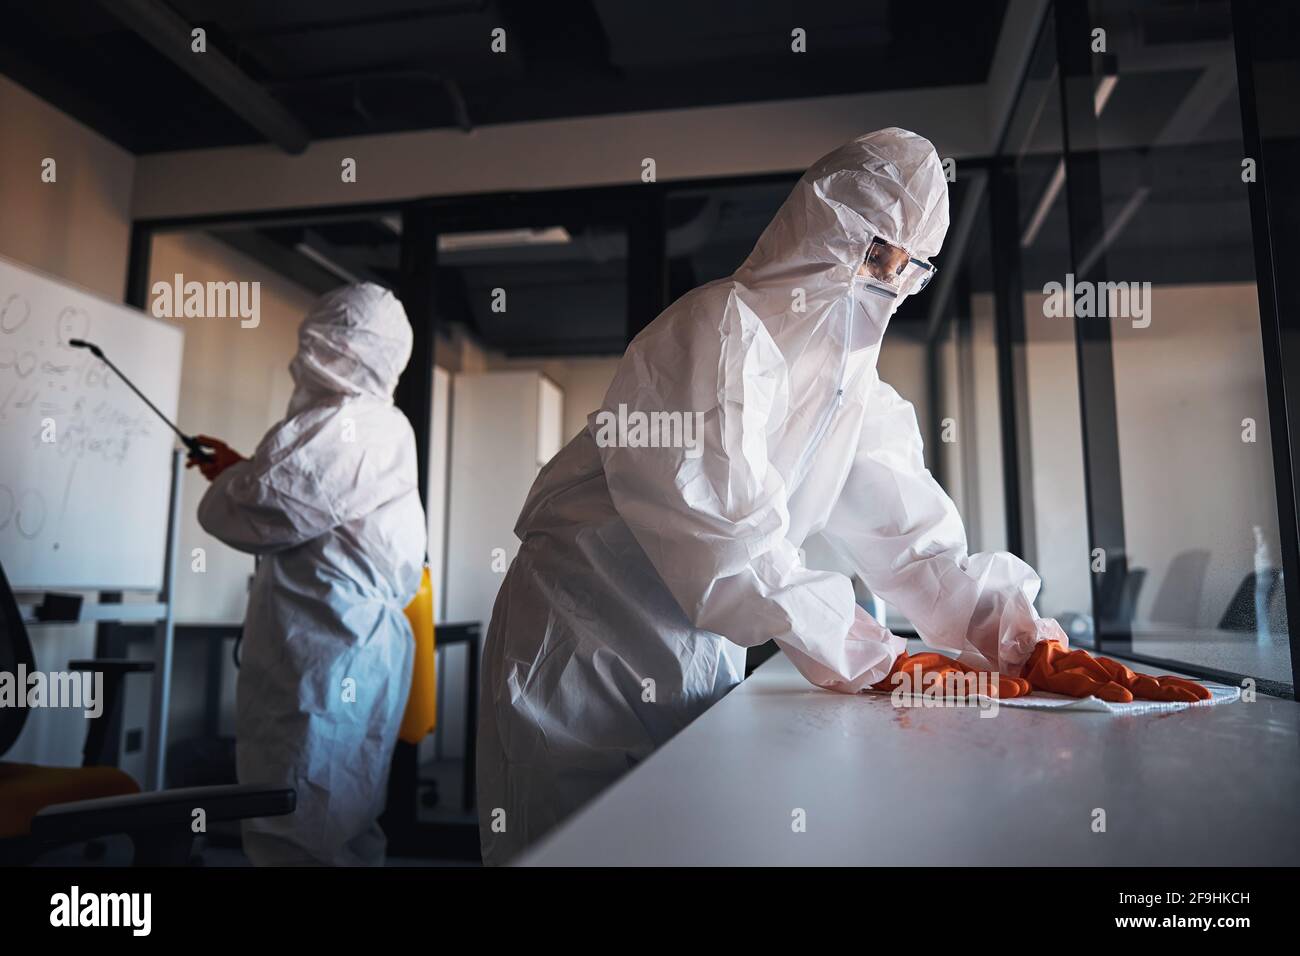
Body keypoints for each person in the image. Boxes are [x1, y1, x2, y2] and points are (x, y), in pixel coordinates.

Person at [476, 128, 1209, 867]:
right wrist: (879, 658)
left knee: (674, 840)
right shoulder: (717, 329)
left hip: (692, 648)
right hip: (577, 637)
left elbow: (917, 548)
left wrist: (1020, 638)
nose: (886, 279)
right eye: (873, 250)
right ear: (819, 224)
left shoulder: (854, 397)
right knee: (566, 847)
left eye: (908, 265)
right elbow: (730, 546)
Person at [192, 282, 426, 866]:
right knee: (344, 819)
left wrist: (233, 483)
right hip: (349, 647)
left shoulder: (343, 423)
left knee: (294, 821)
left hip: (323, 651)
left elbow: (254, 512)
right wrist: (244, 469)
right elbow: (307, 506)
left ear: (334, 344)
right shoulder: (381, 425)